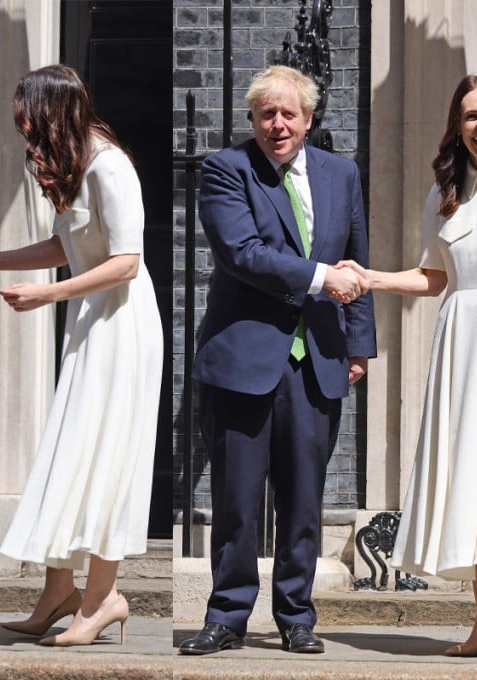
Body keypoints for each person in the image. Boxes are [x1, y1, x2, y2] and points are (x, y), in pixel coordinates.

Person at [179, 65, 376, 656]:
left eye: (289, 113)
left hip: (317, 356)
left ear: (309, 119)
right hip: (244, 357)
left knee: (303, 497)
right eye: (267, 114)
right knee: (238, 498)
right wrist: (322, 278)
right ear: (253, 119)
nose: (278, 124)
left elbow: (356, 262)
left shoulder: (342, 174)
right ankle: (227, 616)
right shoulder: (226, 170)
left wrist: (359, 345)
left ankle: (296, 616)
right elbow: (243, 253)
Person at [0, 64, 163, 648]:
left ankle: (104, 598)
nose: (21, 128)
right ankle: (59, 592)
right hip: (90, 321)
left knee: (106, 454)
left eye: (26, 115)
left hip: (122, 325)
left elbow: (127, 260)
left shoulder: (110, 166)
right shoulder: (76, 168)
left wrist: (49, 294)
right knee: (69, 449)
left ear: (53, 110)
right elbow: (65, 245)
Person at [339, 74, 477, 660]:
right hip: (464, 348)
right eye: (470, 116)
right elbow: (433, 276)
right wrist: (370, 278)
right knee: (474, 476)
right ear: (456, 126)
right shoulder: (443, 195)